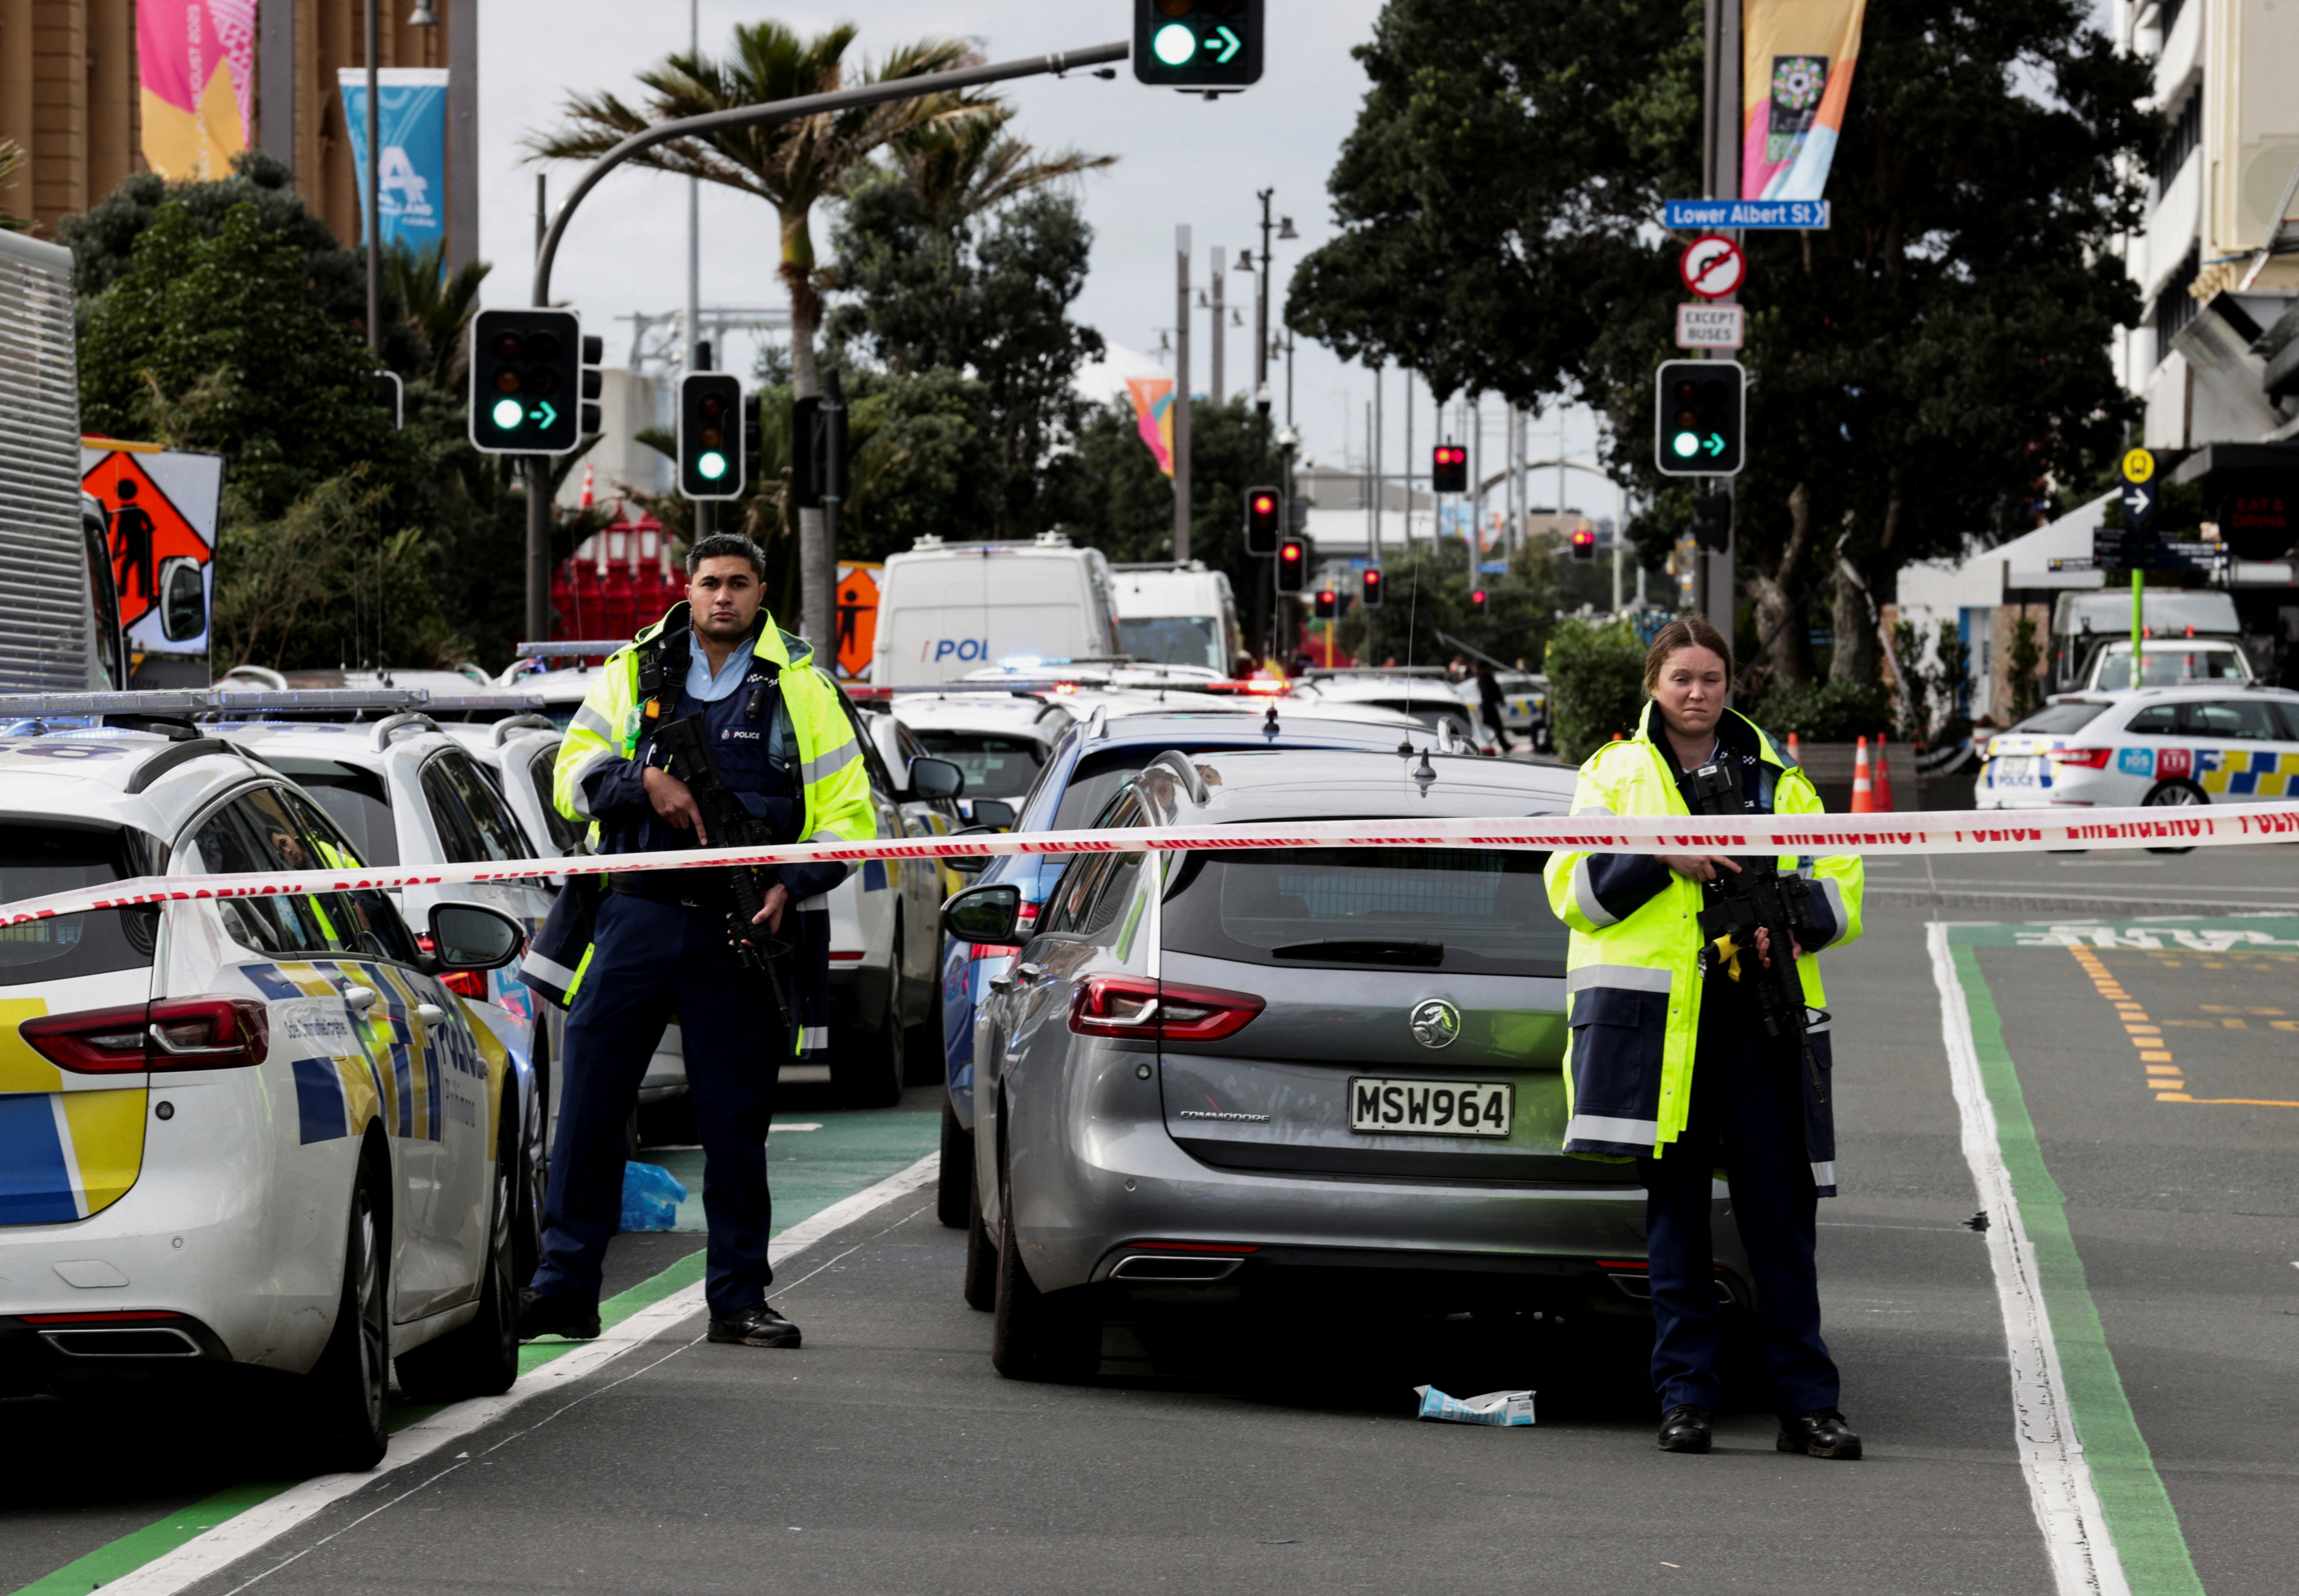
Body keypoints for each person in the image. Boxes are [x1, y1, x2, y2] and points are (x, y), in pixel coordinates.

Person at [520, 534, 877, 1349]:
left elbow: (849, 821)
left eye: (739, 584)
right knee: (588, 1111)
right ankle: (563, 1290)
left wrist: (793, 881)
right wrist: (641, 780)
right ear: (689, 589)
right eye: (711, 583)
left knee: (733, 1121)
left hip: (738, 928)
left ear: (761, 593)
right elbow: (570, 777)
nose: (724, 598)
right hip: (636, 914)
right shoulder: (633, 671)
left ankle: (738, 1298)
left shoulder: (803, 690)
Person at [1543, 617, 1866, 1459]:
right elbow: (1574, 892)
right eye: (1681, 677)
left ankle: (1806, 1407)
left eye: (1711, 679)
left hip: (1761, 1019)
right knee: (1676, 1224)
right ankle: (1685, 1400)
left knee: (1779, 1222)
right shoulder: (1613, 773)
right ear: (1654, 681)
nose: (1696, 693)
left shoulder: (1779, 777)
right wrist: (1664, 854)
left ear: (1730, 684)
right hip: (1663, 1033)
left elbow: (1840, 881)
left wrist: (1793, 921)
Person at [1474, 660, 1513, 752]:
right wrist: (1498, 699)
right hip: (1489, 707)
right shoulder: (1484, 677)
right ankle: (1501, 745)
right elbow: (1490, 692)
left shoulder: (1486, 676)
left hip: (1489, 706)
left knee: (1493, 727)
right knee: (1494, 727)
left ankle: (1504, 745)